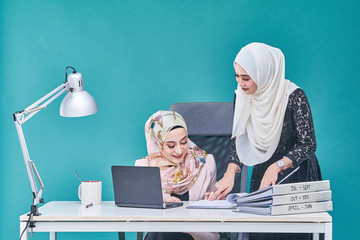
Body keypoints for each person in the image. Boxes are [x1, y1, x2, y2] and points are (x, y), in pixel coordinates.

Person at [209, 43, 322, 240]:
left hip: (296, 172)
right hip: (264, 171)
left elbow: (308, 144)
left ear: (264, 74)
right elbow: (240, 138)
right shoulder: (242, 96)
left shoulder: (294, 96)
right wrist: (229, 174)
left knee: (294, 234)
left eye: (246, 78)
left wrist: (277, 166)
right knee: (263, 232)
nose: (241, 83)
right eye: (237, 77)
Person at [135, 110, 220, 240]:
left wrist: (214, 199)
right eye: (171, 145)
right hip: (160, 232)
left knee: (166, 233)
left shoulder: (205, 162)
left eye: (184, 142)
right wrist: (159, 205)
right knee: (163, 230)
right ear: (157, 143)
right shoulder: (144, 167)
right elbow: (137, 213)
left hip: (196, 233)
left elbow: (217, 209)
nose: (179, 150)